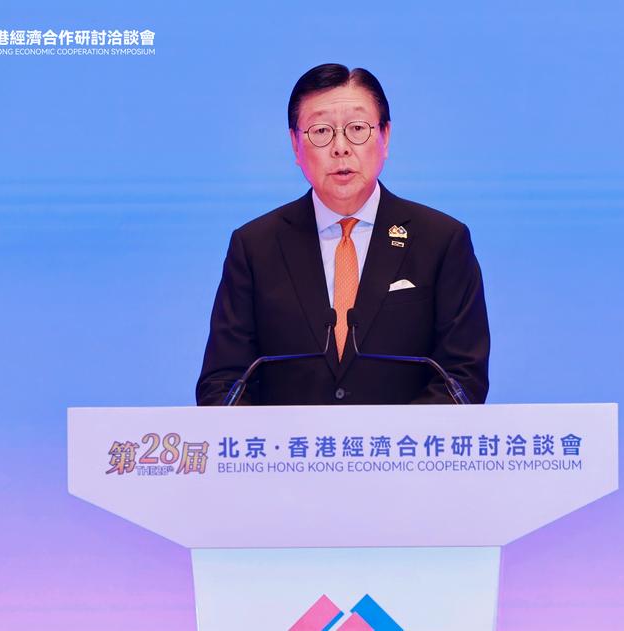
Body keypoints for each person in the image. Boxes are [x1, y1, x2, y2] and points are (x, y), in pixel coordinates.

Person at [196, 63, 489, 405]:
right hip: (287, 441)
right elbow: (223, 384)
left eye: (357, 128)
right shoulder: (255, 247)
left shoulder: (441, 241)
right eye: (321, 131)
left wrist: (392, 438)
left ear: (385, 136)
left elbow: (461, 378)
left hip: (405, 441)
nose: (340, 147)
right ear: (295, 145)